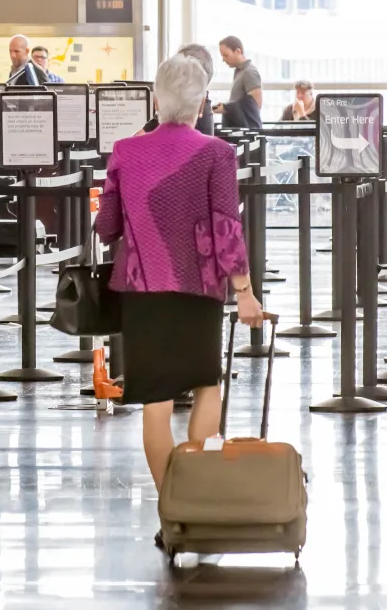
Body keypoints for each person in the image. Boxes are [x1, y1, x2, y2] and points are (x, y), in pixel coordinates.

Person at [94, 53, 264, 545]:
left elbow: (106, 227)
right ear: (203, 102)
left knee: (155, 402)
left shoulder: (126, 150)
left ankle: (172, 514)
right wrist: (245, 294)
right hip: (199, 289)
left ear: (156, 100)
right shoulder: (216, 154)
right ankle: (200, 502)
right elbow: (227, 230)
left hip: (142, 290)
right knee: (207, 385)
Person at [214, 36, 262, 129]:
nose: (223, 60)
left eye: (226, 55)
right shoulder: (240, 72)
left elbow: (255, 106)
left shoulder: (250, 72)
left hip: (247, 131)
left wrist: (227, 108)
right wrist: (225, 106)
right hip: (238, 129)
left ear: (238, 51)